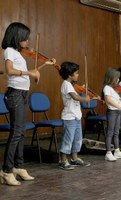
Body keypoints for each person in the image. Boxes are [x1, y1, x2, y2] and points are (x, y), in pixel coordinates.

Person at [0, 22, 55, 186]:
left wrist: (45, 64)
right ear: (17, 37)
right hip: (15, 95)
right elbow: (9, 71)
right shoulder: (9, 51)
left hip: (22, 94)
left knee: (21, 132)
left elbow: (29, 74)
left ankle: (19, 166)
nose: (27, 41)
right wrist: (29, 72)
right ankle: (6, 171)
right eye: (25, 38)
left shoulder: (18, 53)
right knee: (16, 133)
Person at [58, 61, 96, 170]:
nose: (78, 75)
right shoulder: (66, 84)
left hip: (76, 116)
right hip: (69, 117)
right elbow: (75, 97)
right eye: (76, 73)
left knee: (77, 139)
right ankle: (63, 160)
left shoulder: (71, 85)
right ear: (70, 75)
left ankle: (74, 159)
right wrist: (85, 98)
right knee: (68, 139)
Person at [103, 68, 121, 161]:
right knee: (110, 132)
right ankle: (108, 152)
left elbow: (119, 100)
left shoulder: (114, 89)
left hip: (118, 112)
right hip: (112, 112)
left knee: (116, 132)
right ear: (111, 78)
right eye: (116, 78)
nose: (118, 80)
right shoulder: (107, 88)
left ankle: (117, 151)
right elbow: (109, 100)